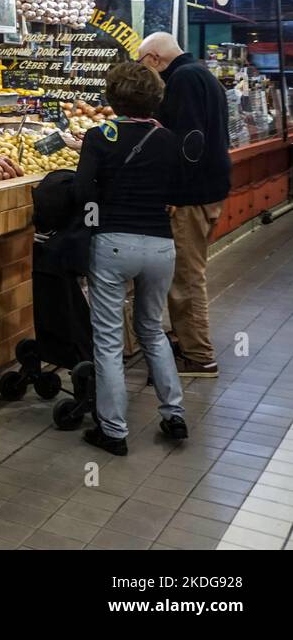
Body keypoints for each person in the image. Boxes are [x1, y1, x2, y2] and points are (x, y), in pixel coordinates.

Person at [74, 62, 188, 455]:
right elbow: (176, 193)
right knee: (153, 329)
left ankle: (114, 431)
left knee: (107, 341)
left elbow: (81, 191)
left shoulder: (99, 135)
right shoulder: (170, 140)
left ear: (113, 95)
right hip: (160, 246)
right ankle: (174, 413)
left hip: (113, 243)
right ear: (155, 97)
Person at [137, 31, 231, 377]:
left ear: (154, 60)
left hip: (193, 195)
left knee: (187, 278)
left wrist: (176, 193)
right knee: (186, 273)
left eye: (142, 64)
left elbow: (189, 141)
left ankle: (199, 356)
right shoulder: (199, 72)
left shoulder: (184, 79)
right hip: (209, 188)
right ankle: (182, 339)